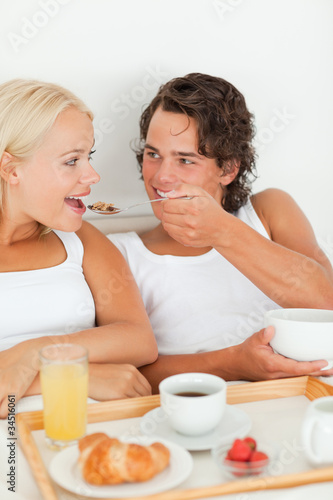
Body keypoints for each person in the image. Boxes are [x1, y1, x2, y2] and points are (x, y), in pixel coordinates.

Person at [107, 72, 333, 393]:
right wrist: (234, 362)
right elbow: (131, 375)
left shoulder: (268, 211)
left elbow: (326, 304)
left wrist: (222, 231)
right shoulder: (120, 253)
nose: (162, 176)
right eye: (153, 154)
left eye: (185, 159)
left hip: (308, 396)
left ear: (228, 169)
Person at [0, 78, 158, 418]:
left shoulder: (81, 240)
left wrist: (38, 352)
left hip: (93, 430)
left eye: (89, 156)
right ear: (11, 170)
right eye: (72, 161)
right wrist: (77, 375)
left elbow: (139, 341)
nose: (93, 175)